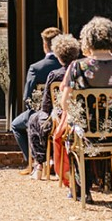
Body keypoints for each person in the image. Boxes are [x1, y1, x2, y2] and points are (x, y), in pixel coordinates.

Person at [55, 17, 112, 204]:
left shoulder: (78, 66)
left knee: (70, 132)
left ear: (87, 40)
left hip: (86, 133)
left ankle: (81, 189)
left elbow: (65, 102)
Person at [27, 33, 80, 179]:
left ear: (58, 55)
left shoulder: (54, 75)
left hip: (59, 119)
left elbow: (46, 105)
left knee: (33, 120)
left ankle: (39, 164)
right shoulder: (80, 73)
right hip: (77, 118)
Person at [10, 26, 61, 169]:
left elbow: (27, 97)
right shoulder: (69, 67)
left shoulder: (36, 67)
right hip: (63, 115)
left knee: (15, 125)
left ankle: (34, 162)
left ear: (45, 45)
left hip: (41, 114)